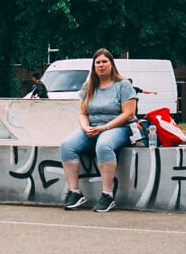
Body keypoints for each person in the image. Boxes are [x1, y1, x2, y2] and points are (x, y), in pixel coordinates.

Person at [59, 48, 138, 212]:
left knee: (103, 145)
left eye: (104, 62)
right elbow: (82, 112)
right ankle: (75, 192)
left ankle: (107, 195)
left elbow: (129, 113)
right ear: (94, 66)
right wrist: (85, 126)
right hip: (93, 127)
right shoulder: (89, 86)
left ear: (111, 64)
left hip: (118, 127)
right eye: (98, 62)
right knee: (67, 145)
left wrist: (106, 127)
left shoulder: (123, 85)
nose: (101, 65)